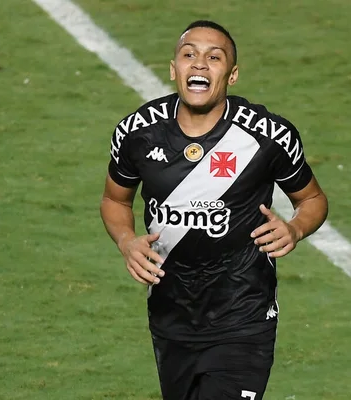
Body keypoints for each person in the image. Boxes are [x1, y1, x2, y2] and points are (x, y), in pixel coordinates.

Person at [99, 20, 328, 400]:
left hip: (243, 315)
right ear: (174, 70)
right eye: (189, 55)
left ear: (232, 74)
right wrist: (126, 241)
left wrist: (296, 228)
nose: (200, 64)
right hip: (171, 316)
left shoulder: (268, 136)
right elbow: (114, 199)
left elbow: (313, 199)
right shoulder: (138, 132)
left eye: (214, 57)